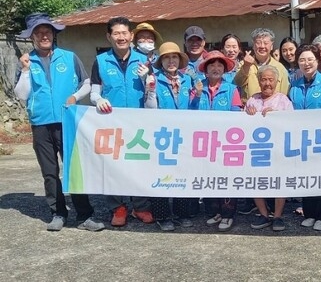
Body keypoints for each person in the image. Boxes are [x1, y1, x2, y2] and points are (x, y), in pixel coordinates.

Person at [13, 13, 105, 232]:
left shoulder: (69, 57)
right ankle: (58, 213)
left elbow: (86, 83)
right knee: (49, 171)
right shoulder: (26, 62)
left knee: (74, 168)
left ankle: (85, 216)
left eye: (47, 32)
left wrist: (74, 97)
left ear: (53, 34)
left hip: (68, 120)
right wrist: (25, 70)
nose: (44, 36)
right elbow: (21, 95)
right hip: (41, 123)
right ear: (32, 37)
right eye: (39, 33)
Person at [90, 16, 154, 227]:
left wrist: (148, 79)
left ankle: (140, 207)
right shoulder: (100, 61)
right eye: (116, 33)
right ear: (109, 37)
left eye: (124, 33)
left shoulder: (144, 60)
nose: (121, 37)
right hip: (111, 123)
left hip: (138, 124)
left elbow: (153, 93)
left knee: (138, 165)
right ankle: (117, 207)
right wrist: (99, 100)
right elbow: (94, 91)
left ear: (131, 36)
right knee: (113, 166)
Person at [144, 42, 198, 231]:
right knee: (161, 174)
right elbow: (150, 108)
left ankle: (182, 213)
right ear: (161, 61)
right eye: (166, 58)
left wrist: (197, 95)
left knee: (182, 173)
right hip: (161, 134)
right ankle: (162, 215)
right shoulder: (154, 79)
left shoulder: (187, 79)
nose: (171, 61)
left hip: (184, 134)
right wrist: (150, 90)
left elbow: (192, 106)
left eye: (174, 57)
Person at [289, 44, 321, 231]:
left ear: (318, 61)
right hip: (300, 139)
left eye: (310, 59)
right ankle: (310, 213)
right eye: (302, 60)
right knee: (306, 177)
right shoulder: (293, 84)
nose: (306, 63)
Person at [192, 50, 243, 232]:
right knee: (207, 178)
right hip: (204, 144)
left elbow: (237, 115)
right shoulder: (197, 88)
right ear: (205, 70)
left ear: (225, 69)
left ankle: (228, 214)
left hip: (226, 144)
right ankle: (214, 212)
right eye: (211, 65)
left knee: (226, 179)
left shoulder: (231, 89)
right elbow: (188, 115)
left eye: (219, 65)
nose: (215, 68)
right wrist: (197, 96)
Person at [245, 65, 295, 231]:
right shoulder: (253, 100)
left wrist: (277, 115)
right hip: (257, 151)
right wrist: (248, 114)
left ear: (277, 81)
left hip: (278, 150)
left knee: (279, 182)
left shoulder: (283, 100)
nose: (267, 83)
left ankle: (278, 217)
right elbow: (242, 126)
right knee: (256, 183)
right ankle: (264, 214)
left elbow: (292, 123)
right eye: (264, 79)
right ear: (259, 81)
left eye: (270, 79)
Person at [234, 28, 290, 103]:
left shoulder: (280, 68)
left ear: (272, 46)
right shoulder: (243, 64)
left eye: (266, 43)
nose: (262, 46)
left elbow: (284, 94)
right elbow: (237, 83)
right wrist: (246, 66)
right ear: (253, 45)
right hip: (249, 110)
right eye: (258, 43)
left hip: (273, 110)